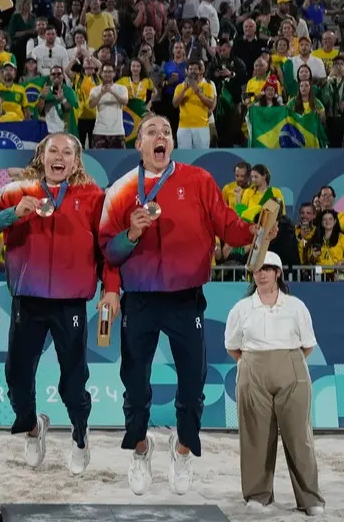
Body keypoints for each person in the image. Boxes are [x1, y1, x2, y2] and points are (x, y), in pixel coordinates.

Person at [97, 114, 274, 496]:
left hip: (185, 300)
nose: (160, 137)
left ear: (172, 144)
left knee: (193, 384)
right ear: (139, 145)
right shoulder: (121, 190)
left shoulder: (199, 181)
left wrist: (257, 232)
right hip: (139, 301)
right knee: (134, 383)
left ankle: (182, 450)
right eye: (151, 132)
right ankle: (140, 450)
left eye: (166, 132)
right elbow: (108, 252)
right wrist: (131, 234)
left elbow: (228, 226)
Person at [0, 133, 121, 474]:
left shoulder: (95, 197)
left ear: (76, 162)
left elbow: (109, 250)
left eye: (67, 152)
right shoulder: (16, 191)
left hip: (72, 307)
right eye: (53, 149)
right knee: (16, 378)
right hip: (28, 302)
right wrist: (11, 214)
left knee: (73, 383)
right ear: (42, 155)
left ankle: (80, 437)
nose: (60, 156)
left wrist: (111, 289)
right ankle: (34, 428)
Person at [224, 251, 325, 516]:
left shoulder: (295, 306)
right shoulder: (242, 308)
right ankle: (258, 495)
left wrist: (284, 362)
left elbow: (307, 345)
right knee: (255, 436)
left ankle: (310, 498)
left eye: (267, 269)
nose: (262, 274)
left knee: (298, 436)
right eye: (257, 269)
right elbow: (233, 347)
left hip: (291, 370)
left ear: (278, 273)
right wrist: (255, 364)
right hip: (252, 371)